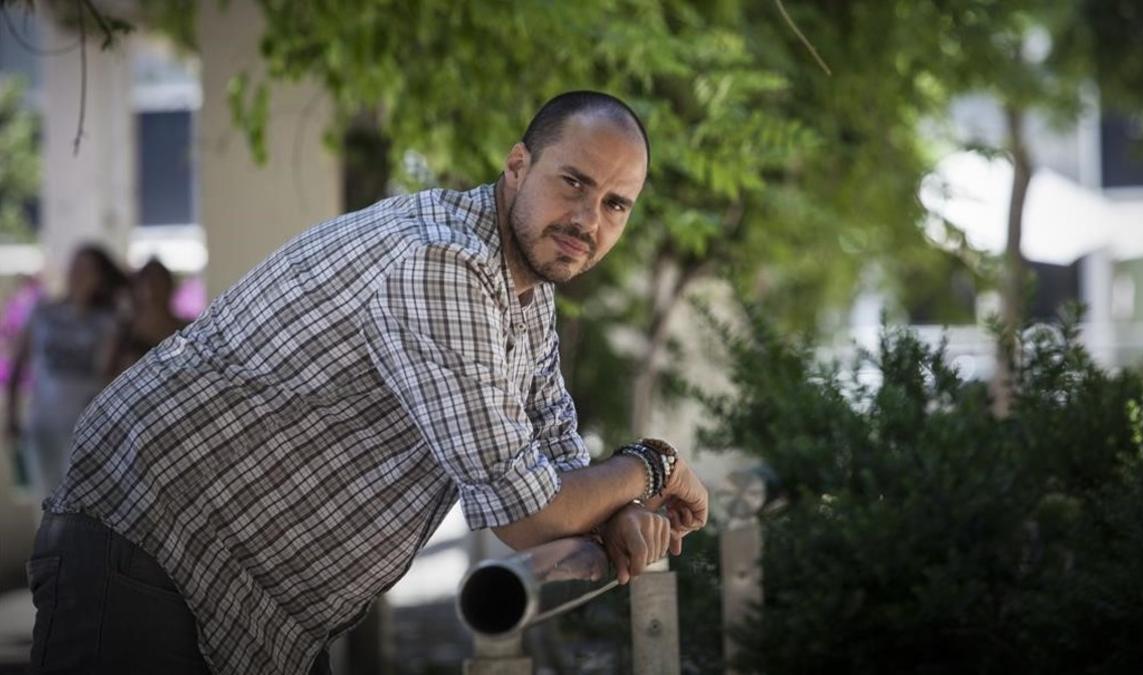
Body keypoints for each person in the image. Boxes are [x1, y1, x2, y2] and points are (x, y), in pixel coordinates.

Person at [26, 91, 709, 675]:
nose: (589, 221)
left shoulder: (523, 289)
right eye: (576, 183)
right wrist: (654, 466)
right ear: (517, 165)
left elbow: (554, 462)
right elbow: (524, 511)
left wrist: (617, 507)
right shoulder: (445, 262)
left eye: (616, 204)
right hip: (151, 544)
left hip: (250, 605)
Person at [6, 245, 124, 502]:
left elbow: (111, 374)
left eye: (88, 269)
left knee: (79, 502)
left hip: (86, 428)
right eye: (76, 266)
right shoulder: (43, 313)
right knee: (45, 499)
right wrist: (12, 415)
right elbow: (18, 363)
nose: (79, 274)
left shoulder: (108, 321)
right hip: (42, 423)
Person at [104, 258, 189, 377]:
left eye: (159, 282)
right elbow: (106, 372)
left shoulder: (186, 330)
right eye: (147, 282)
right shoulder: (123, 332)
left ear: (169, 286)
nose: (152, 289)